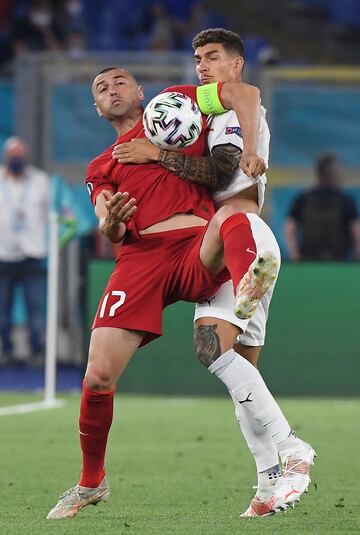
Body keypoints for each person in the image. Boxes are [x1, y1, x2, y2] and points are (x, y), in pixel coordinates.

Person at [47, 66, 275, 519]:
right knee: (97, 377)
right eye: (101, 88)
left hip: (195, 244)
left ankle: (247, 273)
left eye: (119, 82)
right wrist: (111, 222)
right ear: (97, 108)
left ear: (141, 91)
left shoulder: (178, 107)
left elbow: (241, 93)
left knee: (229, 215)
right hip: (140, 259)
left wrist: (250, 148)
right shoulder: (101, 165)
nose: (112, 90)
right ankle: (92, 482)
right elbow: (105, 220)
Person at [111, 28, 315, 517]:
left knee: (210, 346)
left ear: (237, 63)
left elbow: (223, 174)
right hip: (236, 246)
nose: (202, 65)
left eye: (213, 57)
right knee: (240, 375)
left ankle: (292, 449)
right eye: (198, 57)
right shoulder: (205, 106)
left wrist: (156, 155)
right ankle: (268, 486)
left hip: (238, 233)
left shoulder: (229, 113)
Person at [0, 136, 49, 365]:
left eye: (20, 154)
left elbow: (55, 216)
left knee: (36, 310)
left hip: (34, 254)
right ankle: (6, 351)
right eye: (13, 155)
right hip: (3, 254)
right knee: (2, 311)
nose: (17, 158)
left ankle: (37, 354)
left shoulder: (41, 181)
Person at [285, 153, 360, 261]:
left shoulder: (303, 198)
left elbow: (289, 228)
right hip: (339, 263)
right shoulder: (345, 200)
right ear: (334, 173)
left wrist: (295, 254)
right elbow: (356, 231)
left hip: (307, 262)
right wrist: (356, 257)